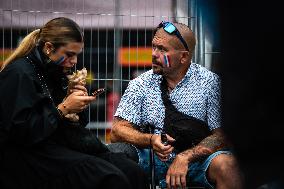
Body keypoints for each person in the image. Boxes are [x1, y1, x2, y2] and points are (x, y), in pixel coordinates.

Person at [0, 17, 148, 189]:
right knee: (108, 177)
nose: (74, 61)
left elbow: (78, 125)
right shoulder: (19, 74)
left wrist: (76, 108)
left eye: (77, 55)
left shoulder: (56, 71)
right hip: (26, 157)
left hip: (59, 146)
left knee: (133, 172)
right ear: (48, 48)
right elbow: (22, 132)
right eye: (69, 54)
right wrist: (63, 109)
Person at [110, 21, 244, 189]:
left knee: (228, 166)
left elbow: (223, 134)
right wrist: (151, 140)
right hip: (151, 160)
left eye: (162, 49)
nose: (153, 54)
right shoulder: (140, 84)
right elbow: (117, 131)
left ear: (184, 57)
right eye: (154, 47)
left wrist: (185, 157)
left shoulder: (209, 83)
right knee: (114, 155)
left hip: (197, 163)